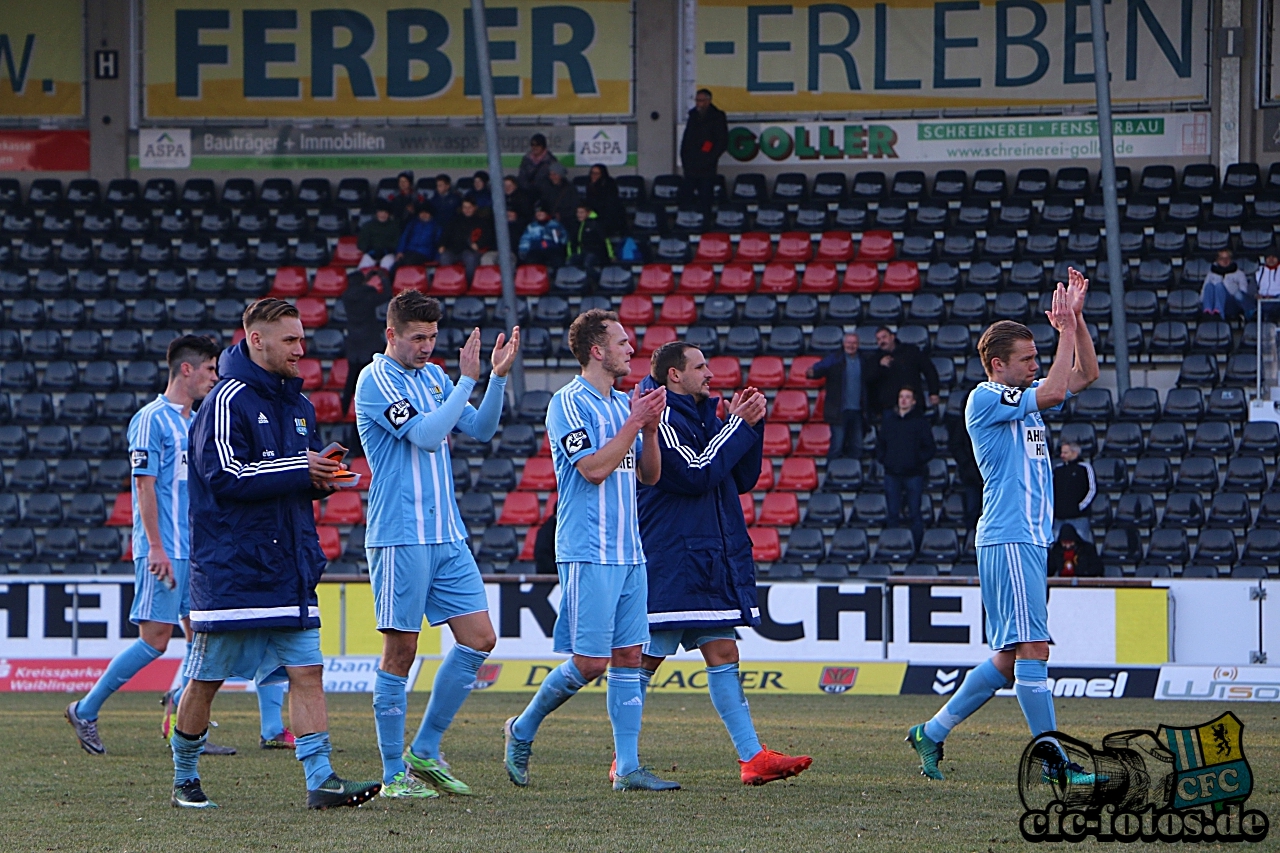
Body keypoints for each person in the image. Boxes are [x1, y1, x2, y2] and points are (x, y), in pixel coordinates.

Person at [174, 298, 381, 809]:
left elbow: (287, 476)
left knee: (308, 672)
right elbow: (223, 474)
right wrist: (297, 468)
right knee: (206, 679)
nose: (301, 348)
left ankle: (321, 780)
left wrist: (320, 480)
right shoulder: (226, 399)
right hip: (234, 568)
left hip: (288, 565)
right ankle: (184, 778)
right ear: (256, 340)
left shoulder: (300, 405)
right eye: (290, 340)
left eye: (302, 338)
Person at [906, 269, 1099, 786]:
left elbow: (1084, 376)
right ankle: (1055, 762)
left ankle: (931, 731)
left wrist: (1076, 322)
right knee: (1034, 647)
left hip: (1028, 539)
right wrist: (1061, 334)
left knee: (1011, 658)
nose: (1037, 365)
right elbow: (1060, 389)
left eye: (1038, 358)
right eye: (1028, 359)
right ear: (998, 365)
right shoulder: (986, 397)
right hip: (1009, 537)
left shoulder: (1024, 399)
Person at [502, 309, 676, 792]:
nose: (630, 348)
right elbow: (594, 469)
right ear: (596, 350)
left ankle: (627, 768)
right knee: (590, 662)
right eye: (621, 342)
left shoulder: (625, 404)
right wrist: (634, 421)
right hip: (587, 547)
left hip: (629, 550)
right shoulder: (567, 403)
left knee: (628, 657)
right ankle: (522, 727)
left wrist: (647, 427)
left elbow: (650, 475)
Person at [356, 291, 520, 799]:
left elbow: (481, 427)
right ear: (391, 335)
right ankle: (392, 775)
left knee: (479, 638)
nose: (427, 347)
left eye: (432, 336)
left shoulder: (430, 377)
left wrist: (495, 376)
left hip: (446, 534)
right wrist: (467, 379)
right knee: (400, 652)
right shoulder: (376, 379)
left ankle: (424, 750)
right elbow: (427, 435)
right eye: (417, 337)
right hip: (400, 535)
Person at [635, 342, 813, 786]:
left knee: (723, 651)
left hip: (706, 558)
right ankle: (601, 750)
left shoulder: (702, 415)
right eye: (700, 367)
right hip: (670, 557)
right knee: (639, 661)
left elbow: (741, 478)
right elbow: (695, 472)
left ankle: (753, 757)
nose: (710, 374)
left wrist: (752, 425)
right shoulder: (661, 417)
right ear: (674, 375)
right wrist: (737, 425)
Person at [66, 336, 240, 757]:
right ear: (186, 370)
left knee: (204, 637)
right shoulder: (150, 420)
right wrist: (157, 548)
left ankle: (183, 724)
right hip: (163, 549)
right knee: (156, 640)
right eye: (210, 370)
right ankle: (85, 709)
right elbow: (144, 488)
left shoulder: (195, 422)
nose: (215, 379)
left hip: (195, 550)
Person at [878, 387, 935, 546]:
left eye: (907, 397)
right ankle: (892, 545)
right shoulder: (889, 421)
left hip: (914, 474)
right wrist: (886, 460)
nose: (903, 400)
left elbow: (930, 448)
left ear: (913, 401)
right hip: (892, 474)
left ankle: (916, 547)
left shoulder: (920, 422)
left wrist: (916, 460)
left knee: (915, 514)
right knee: (893, 514)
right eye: (901, 396)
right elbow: (880, 445)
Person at [806, 332, 872, 459]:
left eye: (854, 343)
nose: (851, 346)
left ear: (858, 345)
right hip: (838, 412)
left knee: (857, 446)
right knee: (837, 445)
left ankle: (854, 474)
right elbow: (818, 369)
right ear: (843, 343)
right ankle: (832, 475)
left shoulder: (863, 360)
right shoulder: (835, 359)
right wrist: (812, 372)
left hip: (858, 412)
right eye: (848, 342)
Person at [340, 268, 392, 417]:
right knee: (372, 377)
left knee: (351, 378)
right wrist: (382, 277)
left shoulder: (346, 297)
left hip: (353, 342)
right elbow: (387, 295)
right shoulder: (369, 295)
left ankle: (344, 410)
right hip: (370, 341)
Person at [868, 326, 940, 417]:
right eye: (878, 339)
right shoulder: (874, 359)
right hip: (889, 407)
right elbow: (869, 380)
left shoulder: (911, 351)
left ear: (892, 337)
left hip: (913, 405)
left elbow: (929, 370)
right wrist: (879, 366)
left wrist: (934, 392)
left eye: (884, 337)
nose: (882, 341)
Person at [679, 88, 728, 217]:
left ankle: (704, 226)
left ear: (708, 101)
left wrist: (709, 159)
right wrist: (685, 159)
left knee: (705, 200)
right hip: (690, 166)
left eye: (700, 101)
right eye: (697, 100)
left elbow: (721, 142)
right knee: (686, 198)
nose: (698, 103)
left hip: (707, 167)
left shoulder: (717, 116)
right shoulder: (693, 116)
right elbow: (686, 140)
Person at [946, 393, 983, 530]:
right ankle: (971, 541)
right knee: (972, 510)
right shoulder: (962, 424)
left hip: (992, 475)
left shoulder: (994, 422)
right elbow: (956, 446)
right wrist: (967, 463)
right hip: (970, 474)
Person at [439, 195, 497, 282]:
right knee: (444, 257)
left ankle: (469, 283)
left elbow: (488, 236)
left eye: (469, 207)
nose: (467, 210)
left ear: (475, 207)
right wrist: (442, 245)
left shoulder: (482, 221)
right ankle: (448, 282)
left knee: (470, 258)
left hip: (470, 250)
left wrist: (478, 244)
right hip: (454, 249)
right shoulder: (455, 220)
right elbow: (445, 234)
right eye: (465, 207)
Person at [1052, 441, 1096, 543]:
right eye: (1062, 453)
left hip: (1078, 518)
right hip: (1059, 518)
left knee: (1081, 546)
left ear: (1075, 453)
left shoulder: (1085, 468)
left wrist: (1080, 507)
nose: (1062, 455)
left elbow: (1092, 489)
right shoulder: (1057, 470)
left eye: (1065, 453)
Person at [1200, 248, 1254, 318]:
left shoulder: (1239, 273)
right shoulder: (1211, 273)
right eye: (1221, 258)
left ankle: (1219, 313)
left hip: (1231, 302)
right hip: (1214, 300)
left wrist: (1233, 290)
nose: (1225, 261)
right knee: (1209, 286)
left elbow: (1243, 292)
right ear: (1217, 260)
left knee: (1219, 286)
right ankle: (1207, 311)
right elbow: (1204, 289)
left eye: (1227, 258)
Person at [566, 203, 614, 275]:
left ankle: (598, 280)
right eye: (578, 212)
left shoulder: (595, 224)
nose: (579, 215)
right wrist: (569, 255)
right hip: (581, 253)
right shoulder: (575, 224)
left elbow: (606, 240)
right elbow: (570, 241)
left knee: (587, 264)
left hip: (595, 253)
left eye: (582, 212)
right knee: (570, 262)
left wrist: (611, 255)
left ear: (588, 213)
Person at [518, 204, 569, 268]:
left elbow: (565, 239)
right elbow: (525, 239)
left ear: (546, 213)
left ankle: (556, 276)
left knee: (558, 260)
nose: (539, 214)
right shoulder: (531, 226)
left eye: (541, 212)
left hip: (552, 249)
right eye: (537, 212)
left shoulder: (555, 224)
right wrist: (523, 250)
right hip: (536, 250)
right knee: (531, 260)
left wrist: (560, 235)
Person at [357, 202, 402, 271]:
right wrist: (369, 250)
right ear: (377, 213)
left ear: (389, 214)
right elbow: (362, 242)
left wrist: (388, 249)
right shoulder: (368, 226)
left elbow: (397, 241)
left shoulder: (395, 226)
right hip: (372, 253)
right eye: (381, 212)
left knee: (385, 267)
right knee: (363, 268)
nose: (383, 215)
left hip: (388, 254)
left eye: (385, 212)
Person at [518, 133, 559, 206]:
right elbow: (522, 177)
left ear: (543, 146)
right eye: (532, 145)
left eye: (538, 145)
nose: (535, 147)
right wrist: (529, 189)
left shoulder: (551, 161)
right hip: (528, 194)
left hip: (545, 195)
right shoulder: (526, 160)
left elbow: (555, 180)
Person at [584, 163, 624, 238]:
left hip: (608, 218)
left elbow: (610, 206)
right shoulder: (589, 185)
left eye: (597, 173)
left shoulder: (609, 185)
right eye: (592, 173)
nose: (593, 176)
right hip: (594, 216)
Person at [504, 175, 535, 251]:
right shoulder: (501, 198)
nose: (507, 188)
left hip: (519, 231)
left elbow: (528, 215)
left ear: (515, 186)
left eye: (509, 185)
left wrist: (516, 217)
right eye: (505, 186)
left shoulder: (524, 198)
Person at [1256, 250, 1280, 320]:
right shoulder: (1259, 271)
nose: (1271, 259)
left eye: (1273, 257)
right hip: (1262, 299)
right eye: (1268, 257)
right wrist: (1255, 295)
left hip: (1277, 300)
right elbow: (1252, 287)